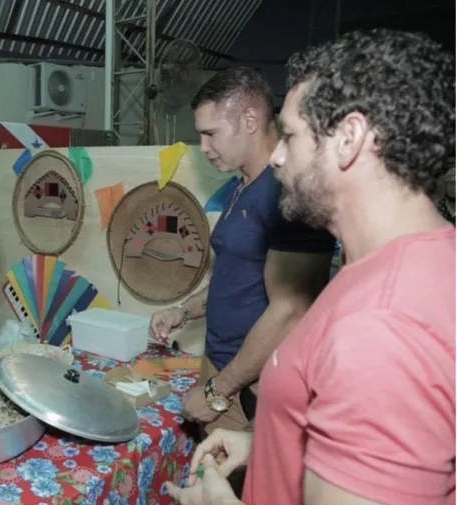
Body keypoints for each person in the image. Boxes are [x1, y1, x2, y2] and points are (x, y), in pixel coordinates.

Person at [165, 29, 455, 505]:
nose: (278, 155)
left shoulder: (381, 329)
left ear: (350, 140)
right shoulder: (399, 267)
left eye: (293, 135)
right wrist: (266, 443)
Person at [149, 67, 336, 433]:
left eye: (210, 134)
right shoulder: (243, 187)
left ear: (250, 120)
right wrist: (182, 311)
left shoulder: (287, 194)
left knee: (241, 490)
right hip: (223, 367)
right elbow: (236, 278)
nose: (203, 148)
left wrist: (219, 391)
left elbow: (291, 311)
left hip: (253, 383)